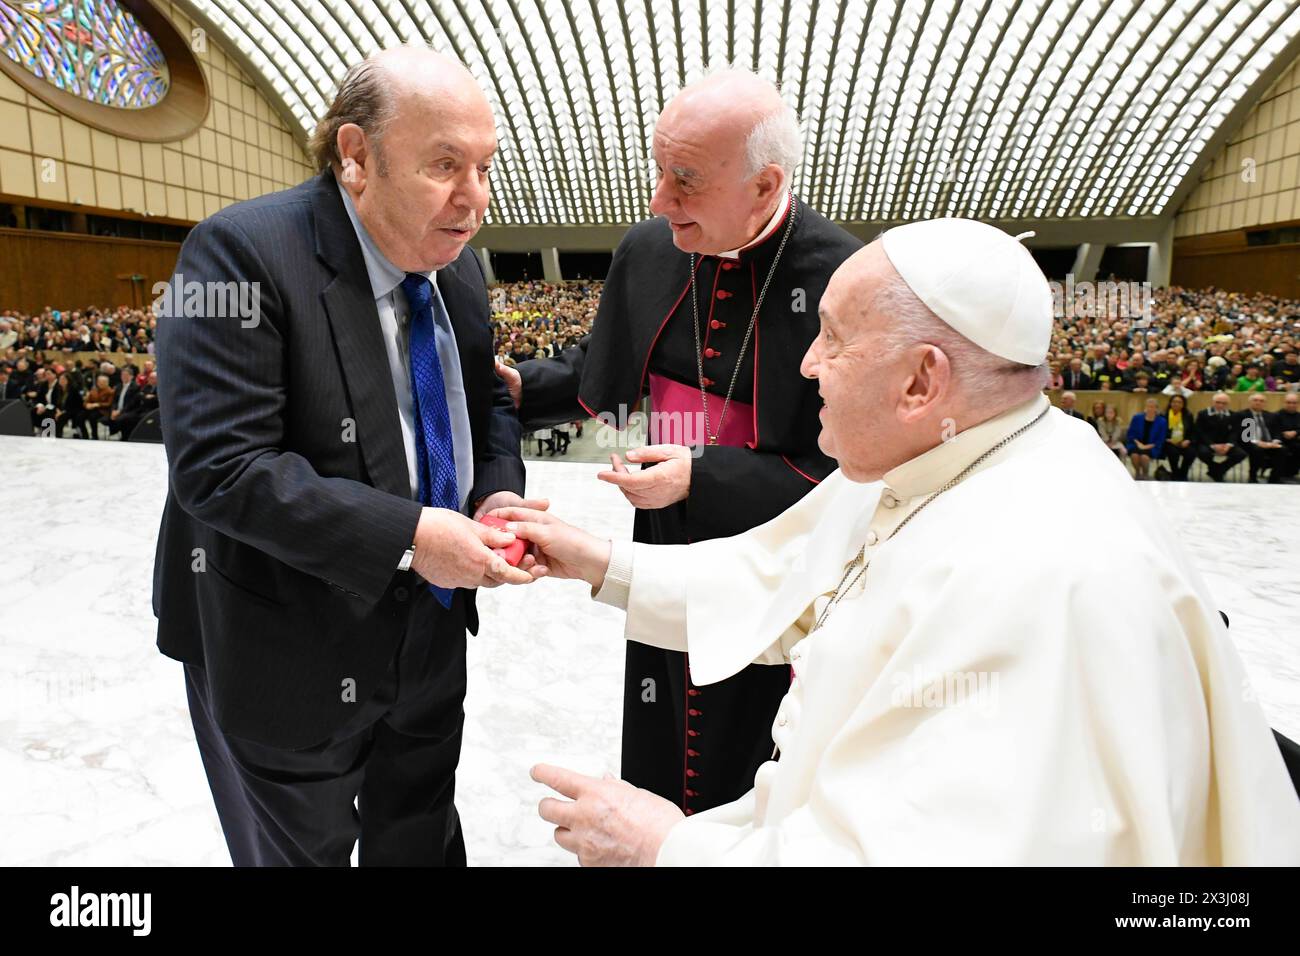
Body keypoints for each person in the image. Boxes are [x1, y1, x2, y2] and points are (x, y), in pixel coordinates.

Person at [494, 218, 1300, 865]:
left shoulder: (1042, 575)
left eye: (835, 339)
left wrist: (665, 847)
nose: (806, 363)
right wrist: (601, 562)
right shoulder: (941, 452)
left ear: (922, 381)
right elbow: (783, 575)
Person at [152, 46, 544, 867]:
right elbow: (222, 470)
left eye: (483, 166)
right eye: (445, 165)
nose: (473, 199)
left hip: (431, 634)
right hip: (285, 645)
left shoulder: (460, 271)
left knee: (420, 836)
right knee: (303, 852)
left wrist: (494, 496)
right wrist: (412, 536)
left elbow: (489, 401)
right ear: (357, 156)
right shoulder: (239, 254)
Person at [495, 68, 861, 815]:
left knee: (751, 739)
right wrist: (524, 389)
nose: (659, 199)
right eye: (658, 170)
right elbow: (607, 361)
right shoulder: (653, 247)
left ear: (764, 187)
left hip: (777, 545)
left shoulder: (841, 276)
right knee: (661, 718)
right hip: (660, 530)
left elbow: (854, 471)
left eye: (685, 179)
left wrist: (705, 476)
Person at [1194, 392, 1248, 482]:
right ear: (1213, 402)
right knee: (1203, 453)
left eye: (1224, 403)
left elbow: (1235, 432)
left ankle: (1219, 470)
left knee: (1241, 454)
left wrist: (1229, 444)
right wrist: (1212, 445)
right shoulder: (1203, 414)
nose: (1220, 405)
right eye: (1218, 402)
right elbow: (1200, 432)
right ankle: (1215, 469)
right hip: (1208, 443)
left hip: (1226, 444)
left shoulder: (1233, 415)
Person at [1236, 392, 1285, 483]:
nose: (1258, 403)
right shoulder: (1243, 415)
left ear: (1265, 403)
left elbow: (1277, 431)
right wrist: (1258, 442)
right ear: (1250, 402)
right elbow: (1243, 435)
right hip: (1249, 443)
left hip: (1269, 443)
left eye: (1261, 401)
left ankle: (1274, 478)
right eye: (1255, 400)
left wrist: (1275, 442)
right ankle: (1253, 476)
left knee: (1282, 450)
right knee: (1257, 450)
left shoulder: (1272, 416)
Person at [1125, 397, 1167, 480]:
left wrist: (1146, 446)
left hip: (1152, 446)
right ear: (1145, 407)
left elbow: (1160, 439)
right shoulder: (1137, 418)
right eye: (1148, 406)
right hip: (1136, 444)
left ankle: (1145, 473)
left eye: (1152, 407)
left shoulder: (1162, 421)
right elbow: (1131, 434)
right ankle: (1137, 472)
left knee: (1144, 457)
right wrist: (1138, 444)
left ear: (1156, 408)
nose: (1150, 409)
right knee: (1134, 455)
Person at [1163, 393, 1195, 480]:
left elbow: (1192, 431)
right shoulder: (1163, 415)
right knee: (1173, 452)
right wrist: (1168, 439)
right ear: (1170, 403)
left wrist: (1188, 440)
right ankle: (1175, 473)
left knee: (1191, 452)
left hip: (1183, 441)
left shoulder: (1188, 415)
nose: (1176, 404)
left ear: (1183, 404)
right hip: (1169, 442)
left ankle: (1183, 473)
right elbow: (1160, 431)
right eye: (1174, 402)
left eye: (1179, 402)